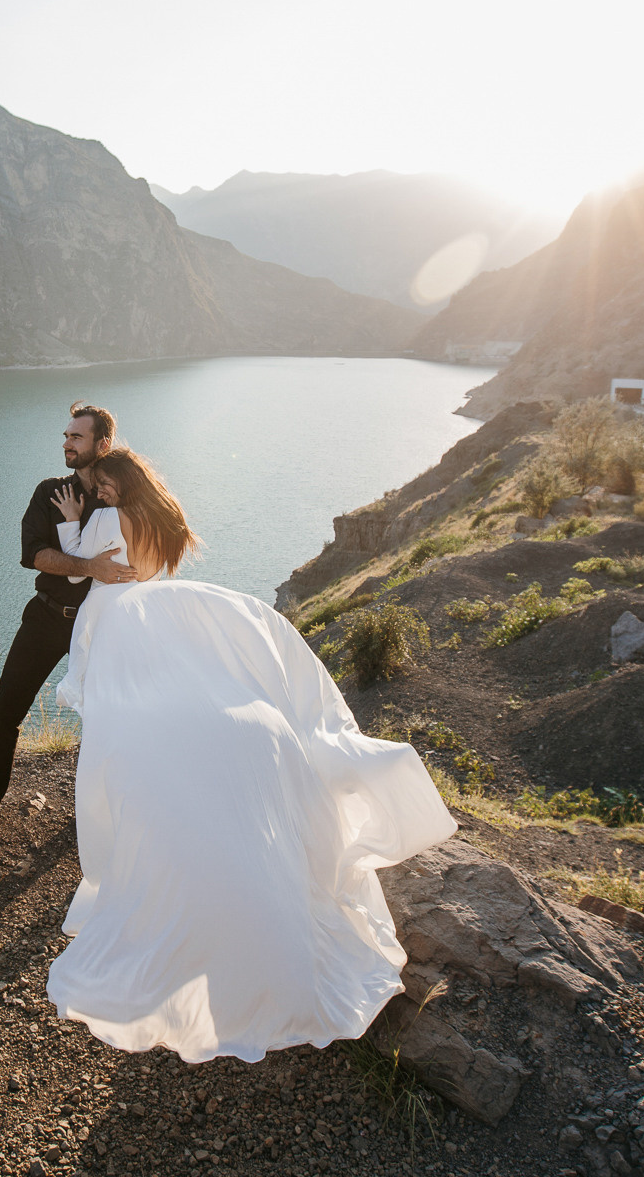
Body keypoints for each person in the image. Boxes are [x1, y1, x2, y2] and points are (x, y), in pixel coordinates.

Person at [44, 449, 457, 1062]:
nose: (99, 490)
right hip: (150, 615)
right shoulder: (162, 522)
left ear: (122, 484)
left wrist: (71, 519)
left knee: (119, 736)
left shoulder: (107, 519)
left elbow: (84, 571)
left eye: (105, 483)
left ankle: (144, 869)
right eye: (96, 485)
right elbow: (145, 569)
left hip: (118, 628)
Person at [0, 402, 137, 840]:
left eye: (76, 437)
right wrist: (90, 567)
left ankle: (116, 810)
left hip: (100, 625)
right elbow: (33, 554)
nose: (66, 443)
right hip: (47, 617)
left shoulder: (121, 496)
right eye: (66, 436)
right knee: (7, 710)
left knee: (112, 715)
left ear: (102, 444)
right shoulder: (50, 492)